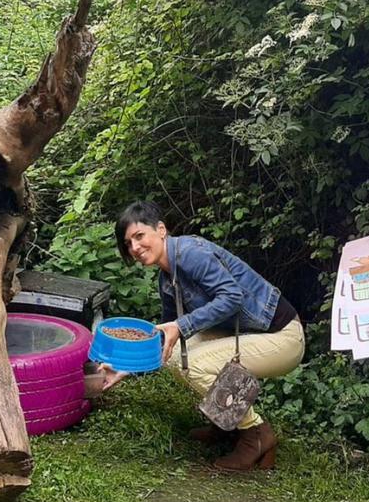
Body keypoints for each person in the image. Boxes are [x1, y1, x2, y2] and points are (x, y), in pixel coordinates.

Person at [101, 201, 305, 470]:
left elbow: (233, 297)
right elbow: (165, 339)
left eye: (139, 236)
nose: (135, 248)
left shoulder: (189, 254)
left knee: (194, 365)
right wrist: (124, 369)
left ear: (161, 230)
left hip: (282, 336)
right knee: (175, 355)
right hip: (241, 333)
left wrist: (182, 325)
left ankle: (256, 433)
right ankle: (226, 422)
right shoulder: (166, 277)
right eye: (128, 244)